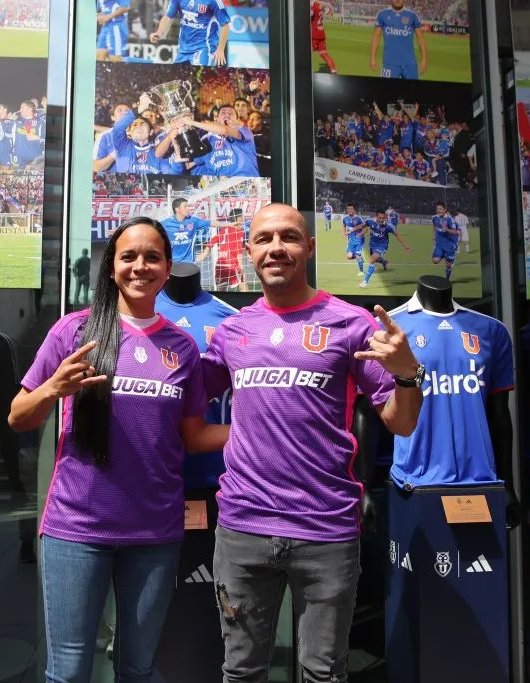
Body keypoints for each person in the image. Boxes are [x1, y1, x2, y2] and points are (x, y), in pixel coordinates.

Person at [202, 203, 424, 683]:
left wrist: (407, 375)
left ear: (309, 247)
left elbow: (400, 424)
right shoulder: (232, 332)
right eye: (264, 239)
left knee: (322, 672)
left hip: (325, 530)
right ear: (249, 251)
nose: (275, 248)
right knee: (241, 671)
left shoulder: (351, 323)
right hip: (244, 527)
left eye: (288, 237)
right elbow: (181, 399)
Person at [8, 217, 227, 683]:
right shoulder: (75, 332)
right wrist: (51, 389)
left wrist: (257, 426)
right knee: (67, 672)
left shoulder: (183, 348)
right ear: (112, 267)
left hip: (154, 532)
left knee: (139, 668)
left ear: (167, 269)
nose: (140, 266)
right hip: (77, 528)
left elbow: (194, 437)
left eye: (152, 257)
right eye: (129, 256)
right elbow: (16, 417)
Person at [151, 0, 230, 67]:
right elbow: (168, 17)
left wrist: (220, 49)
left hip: (203, 48)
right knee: (175, 80)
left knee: (197, 79)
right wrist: (159, 32)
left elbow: (225, 25)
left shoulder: (214, 1)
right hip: (183, 50)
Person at [370, 0, 427, 80]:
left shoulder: (412, 16)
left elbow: (420, 38)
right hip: (390, 63)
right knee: (388, 91)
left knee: (412, 91)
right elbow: (376, 35)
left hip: (409, 64)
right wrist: (372, 58)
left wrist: (424, 59)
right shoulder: (382, 14)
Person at [360, 208, 411, 288]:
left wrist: (406, 247)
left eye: (383, 218)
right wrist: (359, 233)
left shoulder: (388, 226)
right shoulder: (371, 221)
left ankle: (365, 281)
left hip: (382, 245)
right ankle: (384, 262)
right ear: (376, 217)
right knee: (375, 259)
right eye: (379, 218)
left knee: (372, 260)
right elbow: (365, 226)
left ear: (385, 217)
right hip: (372, 244)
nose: (381, 219)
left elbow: (397, 235)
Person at [164, 197, 211, 263]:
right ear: (177, 209)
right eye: (185, 207)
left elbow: (211, 223)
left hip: (189, 263)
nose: (188, 209)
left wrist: (230, 224)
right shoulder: (166, 223)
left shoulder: (193, 221)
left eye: (188, 206)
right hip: (173, 264)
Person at [431, 201, 459, 281]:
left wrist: (446, 229)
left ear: (444, 209)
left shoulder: (450, 219)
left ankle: (447, 279)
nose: (439, 210)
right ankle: (443, 255)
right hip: (439, 244)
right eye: (437, 209)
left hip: (449, 245)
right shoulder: (434, 218)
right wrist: (434, 237)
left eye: (440, 209)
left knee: (448, 265)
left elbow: (455, 232)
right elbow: (434, 226)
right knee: (435, 261)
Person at [311, 1, 338, 74]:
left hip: (314, 34)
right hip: (321, 33)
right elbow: (329, 10)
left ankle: (303, 70)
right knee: (324, 53)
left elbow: (311, 14)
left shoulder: (314, 6)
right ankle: (333, 70)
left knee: (305, 52)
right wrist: (330, 9)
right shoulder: (321, 5)